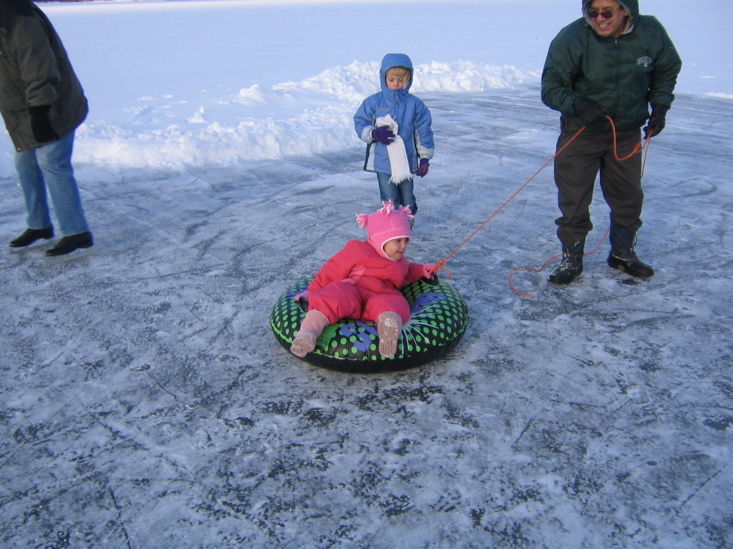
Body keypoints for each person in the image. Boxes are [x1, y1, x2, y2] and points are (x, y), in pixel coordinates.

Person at [541, 0, 681, 284]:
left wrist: (661, 107)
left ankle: (622, 253)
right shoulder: (572, 37)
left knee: (628, 196)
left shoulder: (650, 31)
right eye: (593, 12)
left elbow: (667, 68)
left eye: (607, 11)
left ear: (626, 9)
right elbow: (551, 87)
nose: (600, 18)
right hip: (581, 132)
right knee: (574, 199)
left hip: (626, 132)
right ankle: (572, 259)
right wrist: (578, 104)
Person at [1, 0, 94, 256]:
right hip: (22, 109)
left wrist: (40, 111)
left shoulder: (20, 19)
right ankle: (39, 225)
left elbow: (38, 66)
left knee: (52, 162)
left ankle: (77, 232)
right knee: (24, 163)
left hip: (51, 105)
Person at [290, 201, 435, 359]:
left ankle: (388, 328)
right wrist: (311, 291)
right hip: (353, 290)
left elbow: (406, 274)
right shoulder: (359, 251)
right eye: (397, 241)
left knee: (395, 304)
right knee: (333, 297)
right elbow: (331, 271)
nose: (403, 246)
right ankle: (307, 333)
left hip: (380, 295)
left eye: (406, 240)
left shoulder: (399, 262)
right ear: (381, 240)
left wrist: (422, 271)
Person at [354, 53, 434, 223]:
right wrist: (374, 133)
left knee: (407, 201)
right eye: (392, 80)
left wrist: (425, 157)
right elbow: (360, 122)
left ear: (409, 80)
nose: (396, 84)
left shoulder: (415, 104)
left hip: (407, 161)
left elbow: (423, 131)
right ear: (384, 78)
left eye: (401, 80)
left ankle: (406, 222)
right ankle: (394, 230)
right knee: (390, 200)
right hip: (383, 162)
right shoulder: (374, 102)